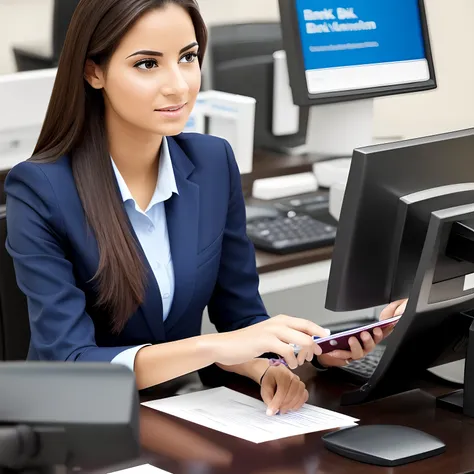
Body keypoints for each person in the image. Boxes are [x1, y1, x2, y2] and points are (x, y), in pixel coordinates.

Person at [4, 0, 406, 416]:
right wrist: (212, 346)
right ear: (94, 71)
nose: (178, 85)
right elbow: (71, 364)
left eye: (188, 57)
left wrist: (271, 366)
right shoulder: (40, 189)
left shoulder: (213, 162)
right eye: (147, 64)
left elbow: (241, 318)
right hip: (78, 424)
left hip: (182, 413)